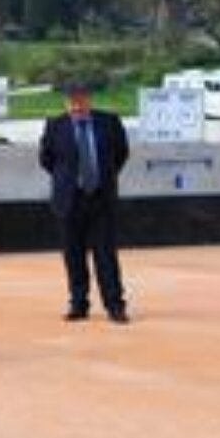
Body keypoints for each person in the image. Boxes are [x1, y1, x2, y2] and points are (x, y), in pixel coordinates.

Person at [39, 84, 130, 324]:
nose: (77, 105)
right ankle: (79, 304)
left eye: (81, 100)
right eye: (72, 101)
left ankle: (115, 305)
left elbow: (121, 154)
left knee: (106, 255)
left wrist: (103, 177)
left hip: (101, 198)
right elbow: (47, 159)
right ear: (66, 103)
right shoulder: (55, 126)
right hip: (70, 200)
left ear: (89, 100)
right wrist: (68, 180)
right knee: (73, 254)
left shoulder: (109, 123)